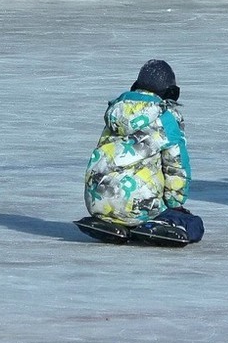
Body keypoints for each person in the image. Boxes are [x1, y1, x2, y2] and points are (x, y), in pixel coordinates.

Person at [80, 59, 205, 247]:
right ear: (170, 92)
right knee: (194, 224)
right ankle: (158, 223)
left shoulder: (117, 112)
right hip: (141, 205)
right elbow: (176, 166)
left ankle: (113, 221)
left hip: (98, 200)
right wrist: (175, 204)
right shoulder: (166, 119)